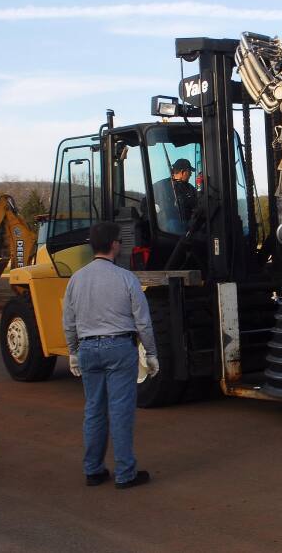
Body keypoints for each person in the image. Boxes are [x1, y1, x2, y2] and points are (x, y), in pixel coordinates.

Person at [62, 221, 160, 489]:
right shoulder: (126, 278)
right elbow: (143, 321)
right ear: (115, 244)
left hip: (87, 349)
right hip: (119, 348)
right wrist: (150, 353)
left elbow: (68, 321)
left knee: (93, 410)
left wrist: (72, 351)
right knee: (120, 411)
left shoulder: (76, 280)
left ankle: (93, 470)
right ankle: (125, 473)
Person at [153, 158, 198, 232]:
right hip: (169, 232)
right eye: (189, 171)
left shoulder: (191, 189)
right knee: (173, 224)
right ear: (182, 172)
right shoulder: (159, 186)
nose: (191, 174)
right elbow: (145, 206)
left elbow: (198, 205)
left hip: (189, 228)